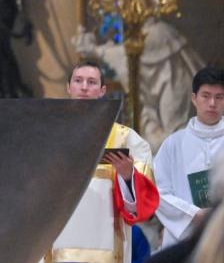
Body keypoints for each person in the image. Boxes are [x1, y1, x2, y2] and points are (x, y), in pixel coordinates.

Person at [43, 60, 159, 263]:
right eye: (78, 81)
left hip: (107, 253)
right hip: (57, 251)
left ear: (102, 90)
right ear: (69, 87)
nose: (85, 87)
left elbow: (142, 211)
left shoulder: (129, 140)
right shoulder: (47, 139)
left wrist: (127, 177)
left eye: (92, 82)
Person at [73, 17, 207, 151]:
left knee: (176, 137)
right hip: (159, 105)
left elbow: (128, 55)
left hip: (175, 84)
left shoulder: (159, 32)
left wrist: (96, 50)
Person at [152, 66, 224, 249]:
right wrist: (193, 214)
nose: (212, 104)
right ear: (194, 98)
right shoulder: (173, 144)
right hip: (181, 240)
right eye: (206, 96)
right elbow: (158, 192)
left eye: (219, 97)